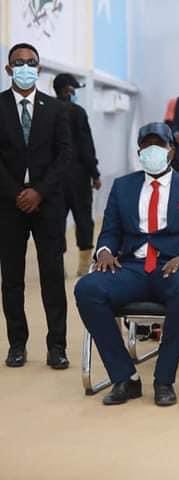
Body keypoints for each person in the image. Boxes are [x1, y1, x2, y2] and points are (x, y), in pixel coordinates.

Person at [74, 122, 179, 407]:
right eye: (146, 145)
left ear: (171, 150)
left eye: (159, 145)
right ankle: (125, 377)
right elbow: (110, 231)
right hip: (131, 267)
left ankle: (163, 379)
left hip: (173, 266)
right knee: (87, 289)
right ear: (139, 152)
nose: (152, 150)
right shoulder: (123, 186)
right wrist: (104, 251)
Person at [0, 43, 72, 369]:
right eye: (19, 62)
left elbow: (65, 155)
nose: (25, 67)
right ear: (8, 69)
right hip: (8, 204)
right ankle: (17, 344)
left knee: (52, 276)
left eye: (31, 63)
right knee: (12, 278)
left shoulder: (55, 108)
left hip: (48, 204)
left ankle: (57, 346)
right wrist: (17, 192)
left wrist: (39, 192)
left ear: (39, 69)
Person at [53, 73, 102, 276]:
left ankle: (57, 265)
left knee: (56, 220)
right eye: (74, 90)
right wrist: (95, 174)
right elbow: (85, 145)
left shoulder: (47, 110)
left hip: (54, 177)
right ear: (68, 90)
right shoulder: (78, 112)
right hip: (78, 175)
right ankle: (83, 266)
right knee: (83, 218)